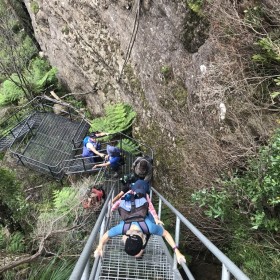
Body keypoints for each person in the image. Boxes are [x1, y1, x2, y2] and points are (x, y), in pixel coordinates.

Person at [94, 183, 186, 264]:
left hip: (145, 217)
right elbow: (165, 234)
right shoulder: (124, 228)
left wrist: (100, 246)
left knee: (150, 227)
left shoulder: (147, 227)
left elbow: (106, 235)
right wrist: (177, 252)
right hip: (141, 213)